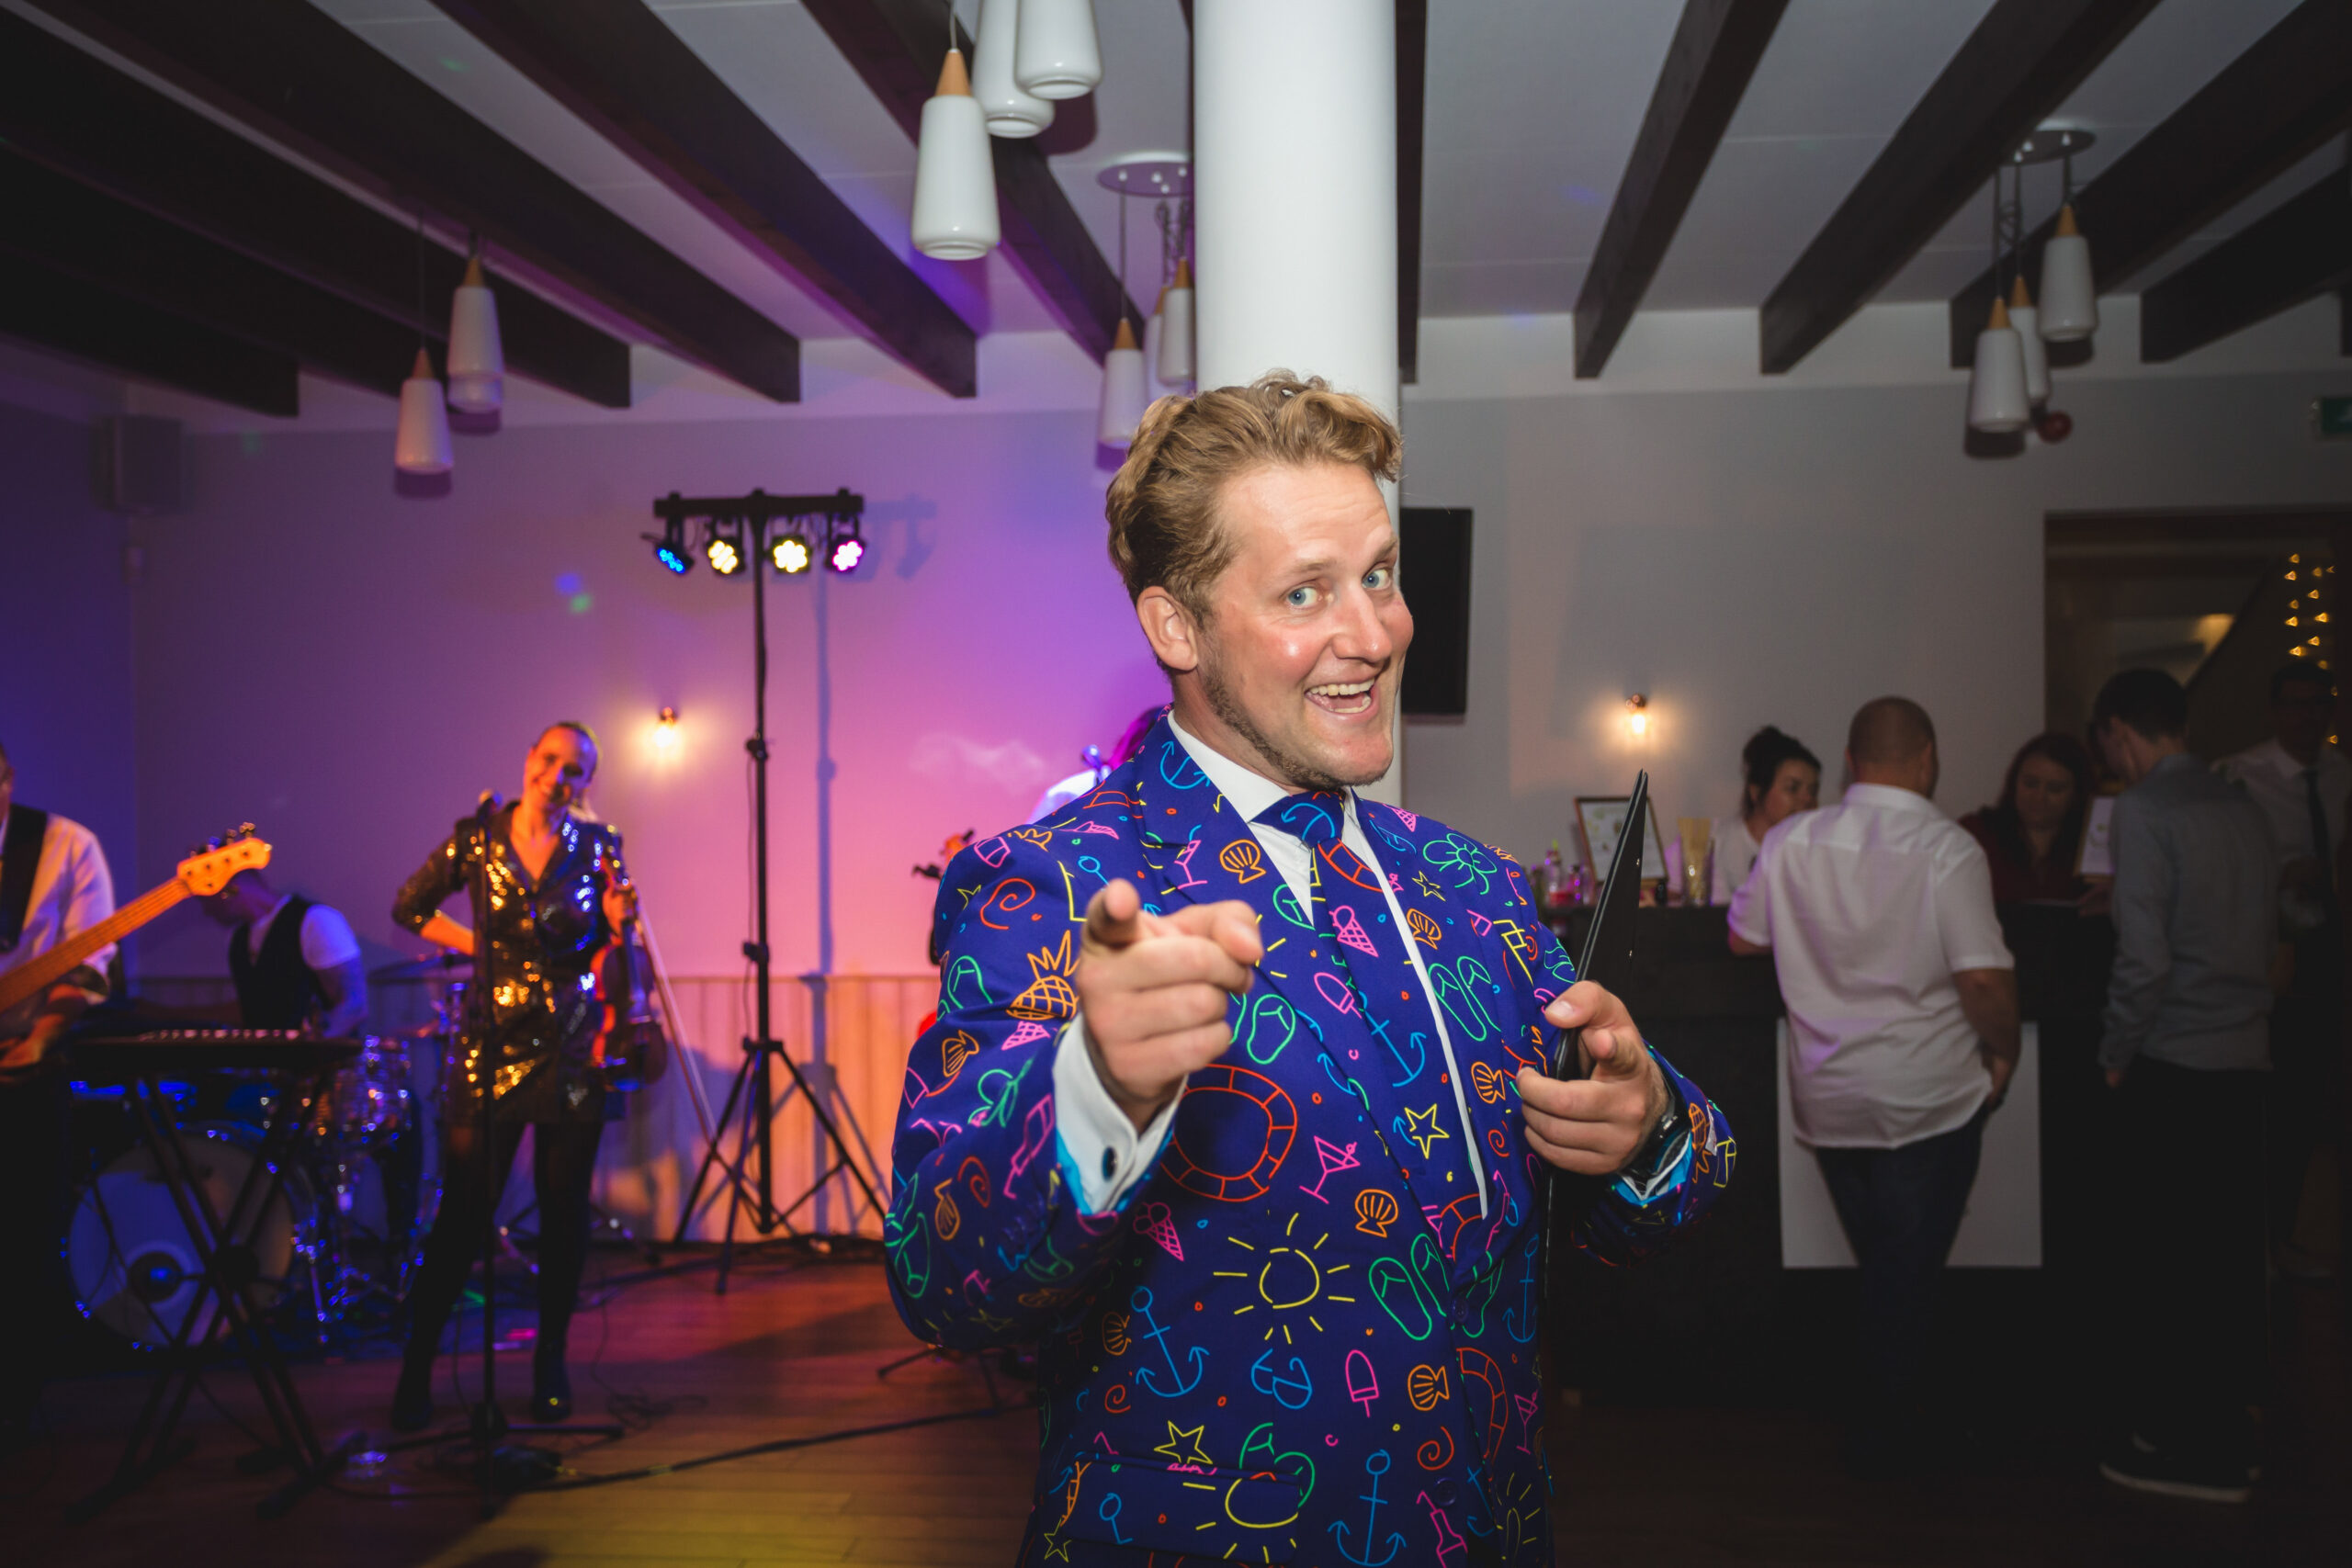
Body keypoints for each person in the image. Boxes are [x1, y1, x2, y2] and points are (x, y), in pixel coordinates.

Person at [888, 374, 1734, 1566]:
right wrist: (1094, 1093)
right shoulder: (1054, 883)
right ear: (1176, 627)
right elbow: (943, 1276)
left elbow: (1679, 1179)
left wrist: (1644, 1127)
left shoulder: (1474, 883)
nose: (1376, 634)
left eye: (1379, 575)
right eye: (1305, 591)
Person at [1726, 696, 2017, 1470]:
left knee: (1889, 1266)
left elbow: (1742, 937)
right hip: (1929, 1094)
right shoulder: (1948, 848)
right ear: (1928, 758)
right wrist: (2005, 1053)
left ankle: (1888, 1422)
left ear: (1852, 762)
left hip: (1830, 1095)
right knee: (1905, 1271)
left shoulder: (1791, 839)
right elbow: (1983, 980)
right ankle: (1890, 1436)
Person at [386, 721, 635, 1431]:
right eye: (551, 759)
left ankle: (551, 1359)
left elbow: (611, 945)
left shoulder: (599, 844)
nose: (559, 776)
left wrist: (620, 923)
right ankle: (417, 1363)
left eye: (575, 769)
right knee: (464, 1212)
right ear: (529, 758)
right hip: (490, 1042)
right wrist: (477, 944)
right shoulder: (476, 838)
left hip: (575, 1042)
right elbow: (409, 905)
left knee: (564, 1211)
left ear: (587, 782)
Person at [2091, 669, 2276, 1502]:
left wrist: (2115, 1051)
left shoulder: (2144, 809)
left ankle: (2189, 1449)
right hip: (2248, 1057)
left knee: (2170, 1261)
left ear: (2120, 733)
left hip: (2178, 1061)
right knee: (2229, 1258)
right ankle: (2231, 1432)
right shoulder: (2243, 805)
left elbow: (2145, 960)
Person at [202, 869, 423, 1268]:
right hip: (272, 1081)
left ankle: (396, 1256)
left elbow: (353, 1005)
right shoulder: (240, 940)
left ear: (231, 887)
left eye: (206, 897)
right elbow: (254, 1012)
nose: (204, 910)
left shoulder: (315, 922)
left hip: (324, 1081)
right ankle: (275, 1255)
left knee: (400, 1128)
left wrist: (309, 1052)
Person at [0, 739, 117, 1445]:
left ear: (8, 779)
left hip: (26, 1064)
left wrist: (43, 1035)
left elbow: (90, 956)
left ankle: (15, 1401)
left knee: (23, 1235)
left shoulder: (66, 845)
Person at [2217, 661, 2346, 1277]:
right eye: (2296, 704)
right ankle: (2252, 1239)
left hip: (2330, 948)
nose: (2307, 717)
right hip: (2266, 952)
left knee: (2306, 1101)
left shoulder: (2342, 775)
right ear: (2274, 710)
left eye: (2318, 704)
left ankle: (2284, 1234)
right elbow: (2223, 871)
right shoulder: (2241, 775)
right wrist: (2282, 875)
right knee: (2266, 1100)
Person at [1959, 732, 2098, 904]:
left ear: (2077, 794)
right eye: (2030, 784)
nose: (2039, 797)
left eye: (2054, 789)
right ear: (2014, 783)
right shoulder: (1977, 834)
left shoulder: (2095, 845)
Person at [1709, 725, 1820, 903]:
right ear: (1756, 792)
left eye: (1813, 791)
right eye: (1792, 788)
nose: (1807, 799)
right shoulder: (1716, 839)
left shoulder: (1817, 854)